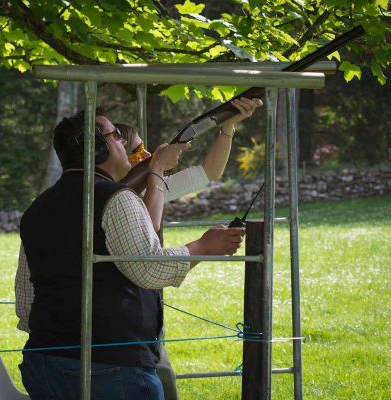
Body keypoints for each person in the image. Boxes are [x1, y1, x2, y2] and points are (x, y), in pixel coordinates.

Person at [15, 110, 246, 399]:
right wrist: (203, 246)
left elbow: (26, 297)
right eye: (115, 137)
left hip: (44, 359)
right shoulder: (116, 197)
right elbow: (149, 270)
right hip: (110, 365)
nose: (123, 144)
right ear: (97, 146)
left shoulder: (39, 208)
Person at [115, 97, 263, 399]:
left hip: (142, 320)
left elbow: (209, 172)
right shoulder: (123, 195)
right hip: (121, 325)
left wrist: (227, 128)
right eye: (135, 150)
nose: (146, 154)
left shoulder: (151, 186)